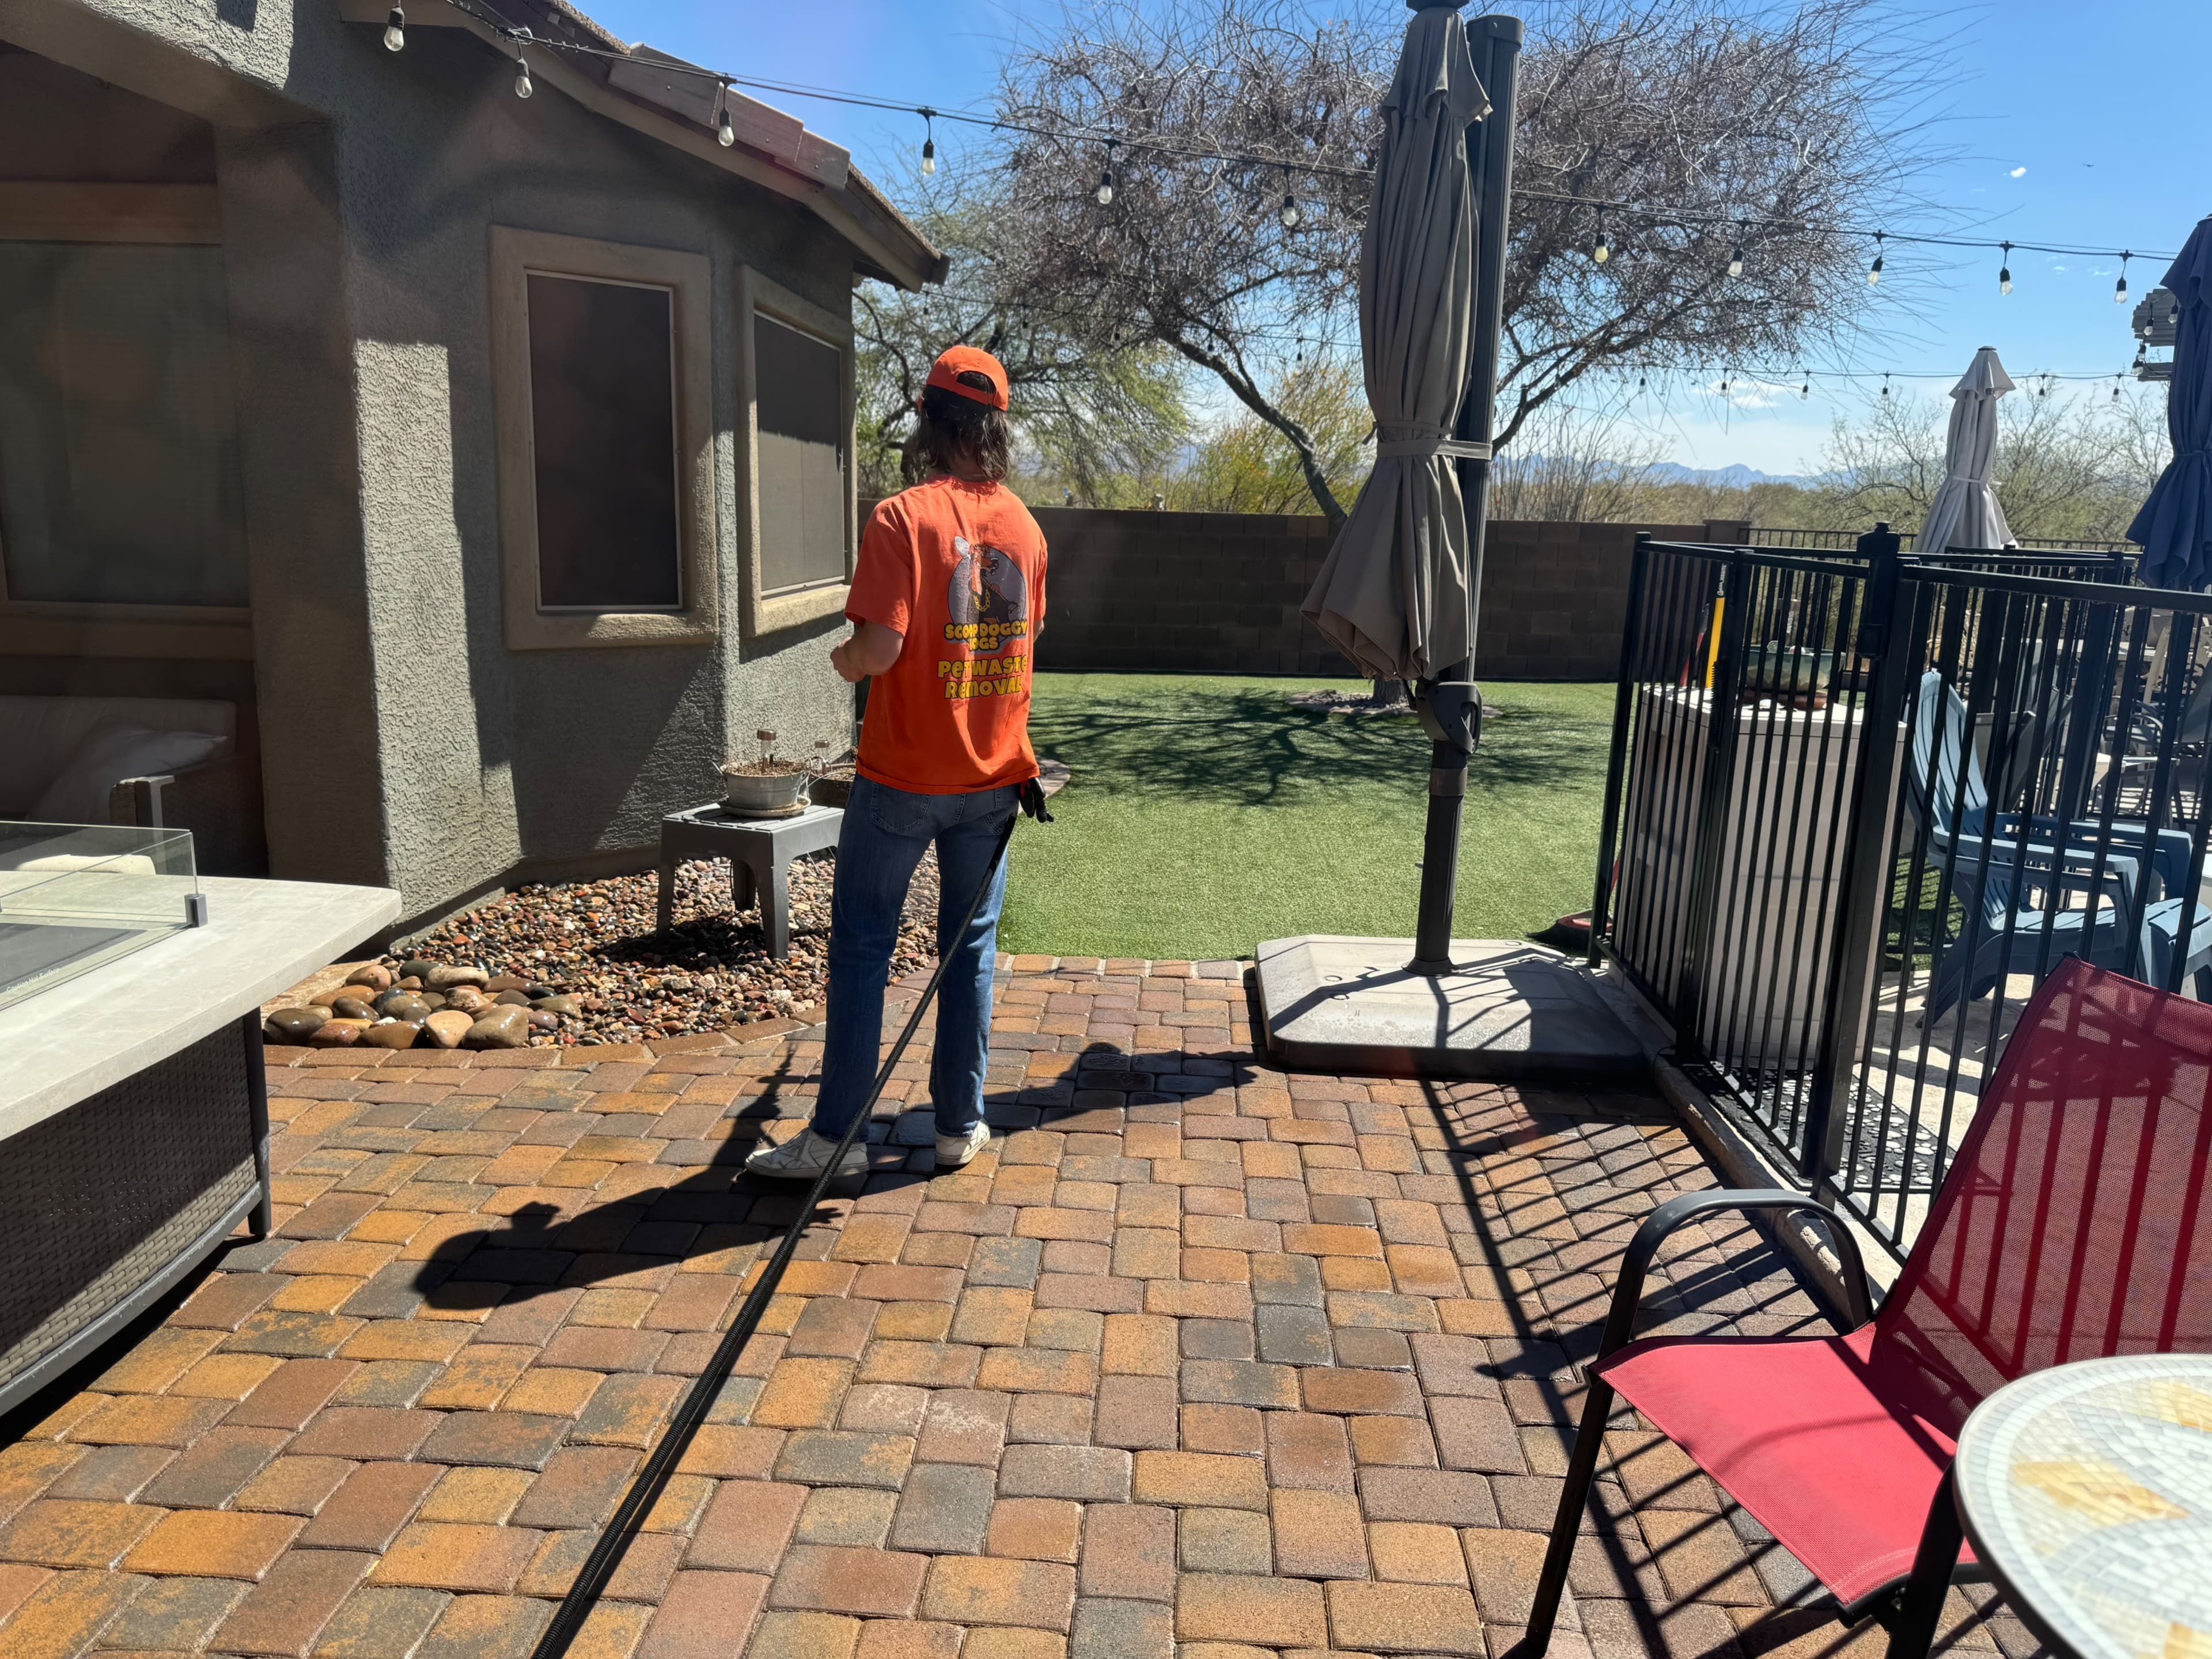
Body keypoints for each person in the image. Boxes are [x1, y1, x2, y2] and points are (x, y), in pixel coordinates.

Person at [747, 345, 1048, 1179]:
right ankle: (959, 1124)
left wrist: (846, 663)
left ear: (927, 418)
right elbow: (1023, 641)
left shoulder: (898, 517)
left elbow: (879, 649)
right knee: (968, 951)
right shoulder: (1026, 527)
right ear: (995, 428)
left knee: (864, 950)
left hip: (903, 779)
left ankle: (838, 1142)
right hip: (994, 781)